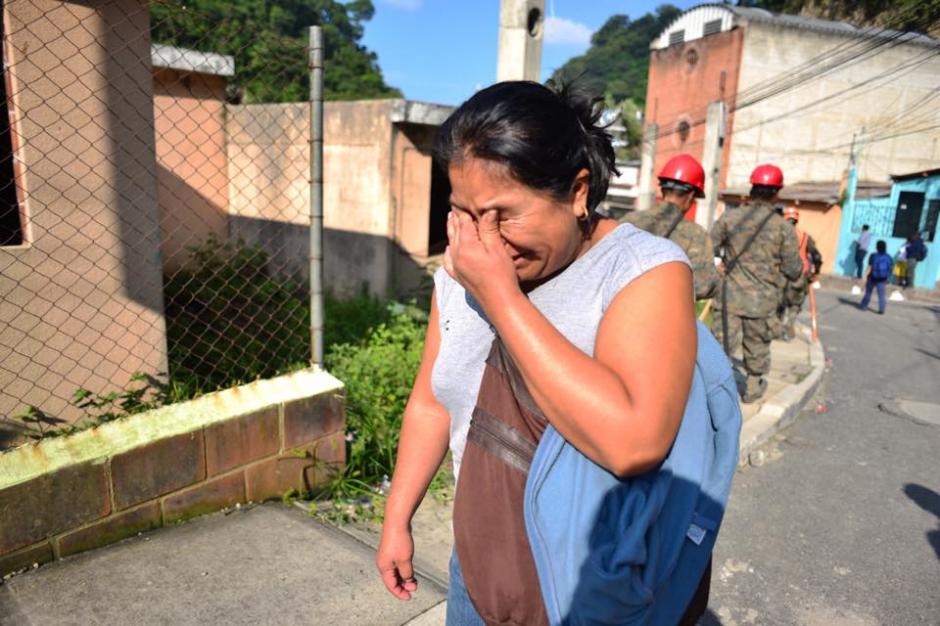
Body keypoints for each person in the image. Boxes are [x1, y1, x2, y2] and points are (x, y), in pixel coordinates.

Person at [375, 81, 734, 626]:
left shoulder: (642, 271)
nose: (483, 239)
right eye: (464, 212)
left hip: (581, 589)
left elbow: (633, 441)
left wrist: (500, 296)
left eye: (503, 214)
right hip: (478, 573)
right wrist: (396, 518)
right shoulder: (461, 268)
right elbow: (432, 399)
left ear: (577, 191)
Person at [710, 164, 802, 403]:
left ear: (752, 189)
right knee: (757, 344)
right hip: (762, 301)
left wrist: (720, 264)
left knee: (720, 345)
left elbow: (708, 248)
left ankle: (711, 391)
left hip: (729, 296)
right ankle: (752, 386)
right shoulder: (783, 227)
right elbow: (793, 270)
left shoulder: (730, 218)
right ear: (777, 192)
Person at [622, 153, 719, 300]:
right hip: (664, 317)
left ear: (662, 189)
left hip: (618, 312)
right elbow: (705, 285)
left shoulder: (628, 221)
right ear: (691, 196)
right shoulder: (696, 234)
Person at [776, 206, 822, 341]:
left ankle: (776, 330)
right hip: (800, 275)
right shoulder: (805, 237)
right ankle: (788, 330)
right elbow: (817, 257)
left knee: (779, 303)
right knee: (794, 306)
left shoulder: (778, 234)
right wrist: (816, 272)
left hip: (781, 274)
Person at [859, 240, 893, 314]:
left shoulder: (873, 255)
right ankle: (881, 309)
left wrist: (864, 277)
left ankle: (864, 306)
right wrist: (888, 278)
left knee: (868, 292)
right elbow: (890, 268)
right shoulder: (888, 257)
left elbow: (869, 267)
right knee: (881, 295)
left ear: (877, 247)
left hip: (872, 277)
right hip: (882, 278)